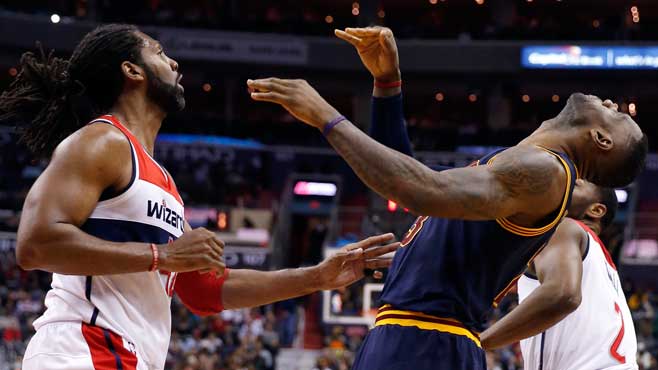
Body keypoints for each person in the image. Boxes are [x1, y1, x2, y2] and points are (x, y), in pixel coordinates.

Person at [0, 24, 400, 370]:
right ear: (131, 70)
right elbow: (36, 244)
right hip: (82, 352)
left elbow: (206, 291)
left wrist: (317, 276)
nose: (173, 63)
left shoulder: (162, 181)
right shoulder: (100, 140)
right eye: (158, 52)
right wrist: (163, 257)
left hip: (124, 356)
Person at [247, 26, 648, 370]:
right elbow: (410, 182)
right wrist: (388, 86)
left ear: (601, 139)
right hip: (412, 334)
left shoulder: (548, 173)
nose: (612, 104)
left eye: (618, 116)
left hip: (430, 339)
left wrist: (325, 117)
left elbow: (421, 190)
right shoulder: (526, 165)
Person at [481, 180, 638, 370]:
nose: (564, 184)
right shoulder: (605, 267)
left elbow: (562, 295)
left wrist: (480, 341)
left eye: (575, 185)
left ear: (596, 210)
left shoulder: (564, 227)